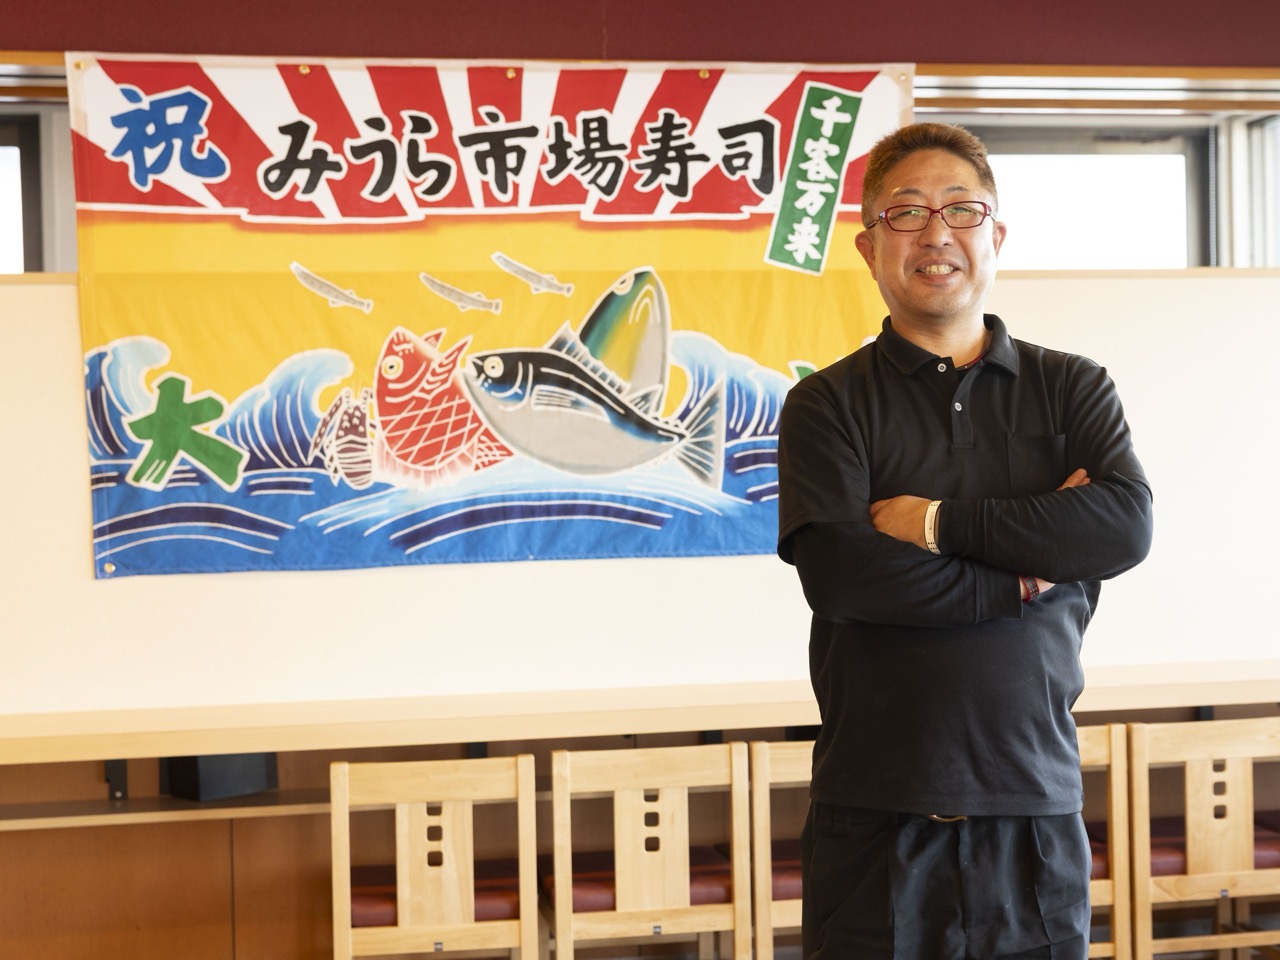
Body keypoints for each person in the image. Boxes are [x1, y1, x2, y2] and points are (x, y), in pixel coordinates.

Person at [776, 122, 1154, 960]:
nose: (936, 232)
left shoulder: (1072, 387)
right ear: (869, 246)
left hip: (1033, 810)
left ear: (996, 236)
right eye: (906, 212)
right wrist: (1023, 576)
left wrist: (934, 523)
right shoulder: (826, 405)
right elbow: (845, 577)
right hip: (873, 818)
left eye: (961, 209)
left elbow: (1123, 526)